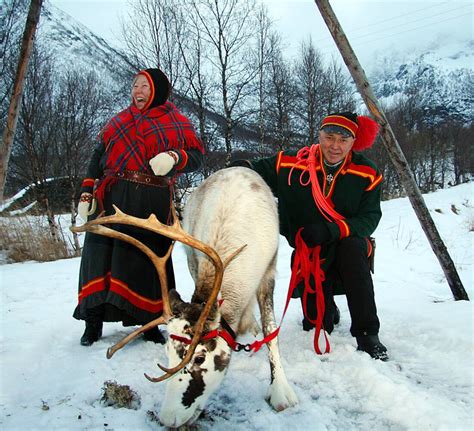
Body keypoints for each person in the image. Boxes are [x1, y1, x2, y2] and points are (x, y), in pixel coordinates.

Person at [230, 112, 388, 361]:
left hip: (346, 244)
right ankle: (327, 311)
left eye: (343, 140)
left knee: (353, 250)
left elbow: (369, 218)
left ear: (353, 141)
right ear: (320, 135)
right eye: (329, 137)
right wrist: (242, 168)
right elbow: (259, 170)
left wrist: (331, 230)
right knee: (315, 324)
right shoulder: (291, 162)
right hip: (309, 250)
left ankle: (367, 332)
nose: (335, 146)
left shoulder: (367, 172)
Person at [74, 68, 204, 346]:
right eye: (135, 86)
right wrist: (87, 192)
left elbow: (196, 157)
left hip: (150, 200)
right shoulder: (119, 122)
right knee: (99, 259)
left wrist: (174, 157)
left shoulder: (177, 122)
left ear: (158, 89)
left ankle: (149, 324)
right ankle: (93, 322)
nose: (138, 91)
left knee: (145, 262)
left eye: (145, 86)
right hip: (111, 197)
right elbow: (98, 157)